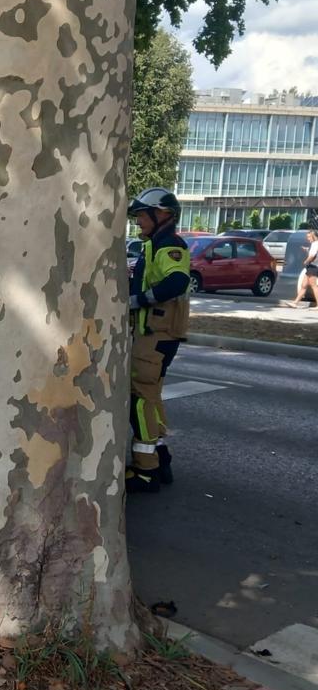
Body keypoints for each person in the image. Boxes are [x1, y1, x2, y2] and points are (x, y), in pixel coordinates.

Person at [126, 188, 190, 494]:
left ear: (162, 214)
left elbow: (178, 281)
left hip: (156, 337)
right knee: (149, 399)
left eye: (141, 214)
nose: (138, 221)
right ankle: (161, 458)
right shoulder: (153, 245)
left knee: (139, 400)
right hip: (151, 336)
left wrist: (139, 300)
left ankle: (145, 471)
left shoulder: (170, 245)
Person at [287, 227, 318, 309]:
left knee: (314, 286)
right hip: (312, 267)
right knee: (303, 285)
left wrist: (306, 261)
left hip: (313, 267)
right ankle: (295, 302)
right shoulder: (315, 244)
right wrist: (307, 249)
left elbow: (312, 255)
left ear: (313, 236)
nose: (308, 239)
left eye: (309, 237)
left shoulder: (315, 244)